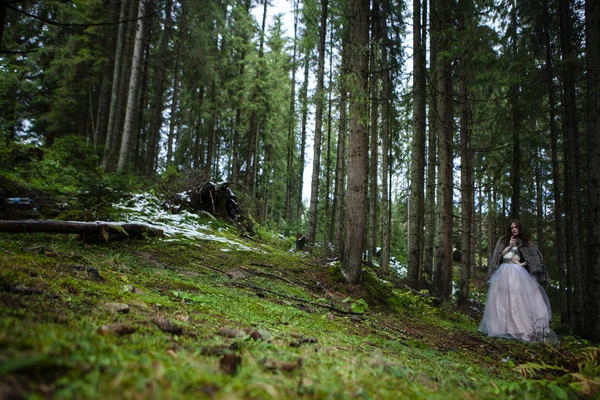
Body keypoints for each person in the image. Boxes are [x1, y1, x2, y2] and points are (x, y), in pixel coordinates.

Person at [478, 219, 555, 342]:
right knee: (502, 300)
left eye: (516, 227)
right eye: (512, 227)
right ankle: (503, 328)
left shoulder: (526, 241)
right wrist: (510, 245)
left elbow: (533, 259)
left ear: (519, 228)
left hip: (517, 272)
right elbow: (500, 256)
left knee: (517, 299)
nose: (514, 229)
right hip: (503, 271)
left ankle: (520, 328)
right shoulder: (503, 240)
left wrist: (522, 264)